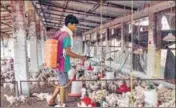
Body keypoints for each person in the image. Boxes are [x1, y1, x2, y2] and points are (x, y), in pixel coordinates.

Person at [48, 14, 87, 106]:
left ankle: (57, 100)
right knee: (63, 84)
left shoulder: (60, 33)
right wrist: (81, 57)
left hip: (58, 62)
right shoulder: (66, 36)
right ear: (69, 24)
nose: (76, 28)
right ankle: (57, 102)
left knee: (63, 83)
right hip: (62, 64)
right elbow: (68, 52)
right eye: (75, 25)